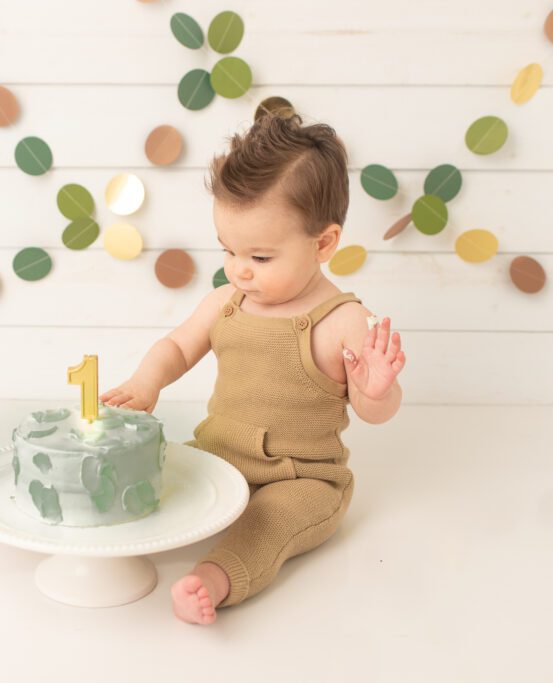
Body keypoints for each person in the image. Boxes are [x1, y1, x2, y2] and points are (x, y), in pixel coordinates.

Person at [99, 99, 406, 625]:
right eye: (227, 250)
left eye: (260, 257)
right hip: (218, 455)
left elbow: (376, 411)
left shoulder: (343, 321)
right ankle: (109, 534)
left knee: (269, 525)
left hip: (301, 478)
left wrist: (376, 391)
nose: (239, 270)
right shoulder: (226, 302)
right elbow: (177, 346)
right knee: (157, 472)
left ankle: (213, 581)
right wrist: (147, 382)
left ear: (324, 242)